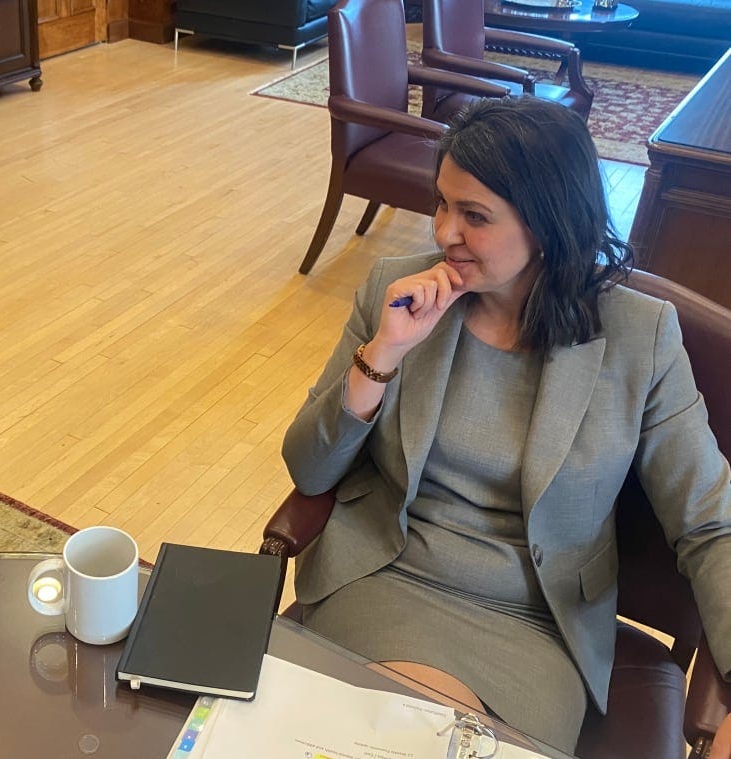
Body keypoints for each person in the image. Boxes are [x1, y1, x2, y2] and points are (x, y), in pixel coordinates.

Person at [282, 96, 731, 754]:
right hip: (384, 576)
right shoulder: (398, 288)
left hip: (536, 624)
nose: (442, 233)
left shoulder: (640, 337)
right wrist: (380, 358)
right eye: (441, 203)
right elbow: (308, 469)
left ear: (547, 224)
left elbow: (709, 521)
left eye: (475, 216)